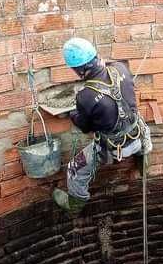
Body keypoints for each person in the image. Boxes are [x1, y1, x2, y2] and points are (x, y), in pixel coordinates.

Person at [52, 38, 152, 216]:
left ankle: (75, 202)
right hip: (138, 136)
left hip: (112, 149)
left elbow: (85, 127)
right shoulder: (121, 68)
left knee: (74, 168)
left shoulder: (85, 96)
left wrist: (72, 115)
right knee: (140, 125)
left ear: (77, 70)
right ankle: (143, 162)